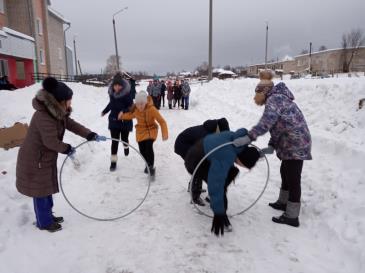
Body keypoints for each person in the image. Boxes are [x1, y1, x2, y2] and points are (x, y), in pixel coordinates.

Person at [16, 77, 104, 232]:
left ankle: (47, 216)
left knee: (46, 189)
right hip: (35, 159)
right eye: (69, 100)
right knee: (41, 192)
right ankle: (44, 222)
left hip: (44, 158)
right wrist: (67, 148)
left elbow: (71, 124)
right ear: (59, 101)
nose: (71, 103)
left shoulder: (56, 112)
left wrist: (89, 134)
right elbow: (50, 141)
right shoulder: (44, 116)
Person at [233, 70, 312, 227]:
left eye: (258, 96)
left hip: (296, 143)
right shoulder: (278, 99)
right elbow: (279, 125)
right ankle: (283, 202)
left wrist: (249, 137)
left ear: (264, 92)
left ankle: (292, 216)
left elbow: (266, 122)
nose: (257, 99)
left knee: (293, 178)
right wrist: (271, 145)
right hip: (289, 141)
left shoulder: (275, 99)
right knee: (285, 172)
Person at [184, 128, 260, 236]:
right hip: (195, 161)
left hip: (202, 149)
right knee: (220, 185)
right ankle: (221, 215)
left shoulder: (240, 141)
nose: (241, 166)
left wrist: (262, 152)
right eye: (243, 165)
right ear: (241, 160)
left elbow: (251, 153)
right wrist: (218, 212)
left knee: (232, 171)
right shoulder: (226, 155)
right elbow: (216, 185)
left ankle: (215, 202)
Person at [174, 118, 230, 206]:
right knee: (199, 168)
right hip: (183, 145)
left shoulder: (213, 129)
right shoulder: (206, 135)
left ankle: (193, 187)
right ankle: (195, 197)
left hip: (190, 144)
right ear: (219, 129)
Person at [118, 91, 168, 176]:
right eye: (138, 104)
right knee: (142, 150)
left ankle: (150, 166)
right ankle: (147, 163)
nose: (140, 106)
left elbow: (162, 121)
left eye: (142, 104)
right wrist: (121, 116)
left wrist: (164, 133)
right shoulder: (136, 110)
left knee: (149, 146)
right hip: (140, 131)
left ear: (145, 102)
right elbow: (130, 115)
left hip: (151, 129)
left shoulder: (152, 109)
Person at [101, 73, 134, 171]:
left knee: (124, 138)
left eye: (119, 85)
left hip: (125, 121)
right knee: (114, 142)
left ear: (122, 85)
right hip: (114, 121)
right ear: (113, 85)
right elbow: (111, 104)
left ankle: (126, 146)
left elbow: (132, 107)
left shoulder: (127, 95)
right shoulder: (112, 93)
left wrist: (123, 111)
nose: (117, 87)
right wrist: (105, 111)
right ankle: (113, 162)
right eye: (115, 85)